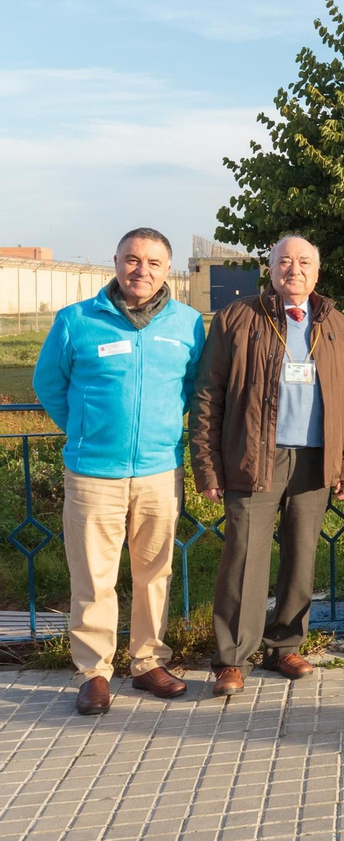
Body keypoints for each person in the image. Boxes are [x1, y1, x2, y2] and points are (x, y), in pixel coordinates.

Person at [33, 228, 206, 715]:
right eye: (132, 259)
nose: (141, 270)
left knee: (155, 572)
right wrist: (85, 429)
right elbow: (48, 384)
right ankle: (94, 673)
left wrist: (163, 428)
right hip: (92, 473)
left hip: (159, 471)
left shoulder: (188, 323)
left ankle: (148, 662)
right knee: (93, 577)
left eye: (153, 262)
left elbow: (194, 387)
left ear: (167, 269)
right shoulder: (76, 321)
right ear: (115, 261)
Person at [192, 235, 344, 697]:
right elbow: (207, 394)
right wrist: (207, 466)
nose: (294, 269)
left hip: (314, 460)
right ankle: (232, 658)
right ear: (271, 269)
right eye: (285, 261)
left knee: (302, 556)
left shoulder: (335, 322)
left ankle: (284, 645)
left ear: (317, 272)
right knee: (245, 557)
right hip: (252, 457)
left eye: (304, 262)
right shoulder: (237, 317)